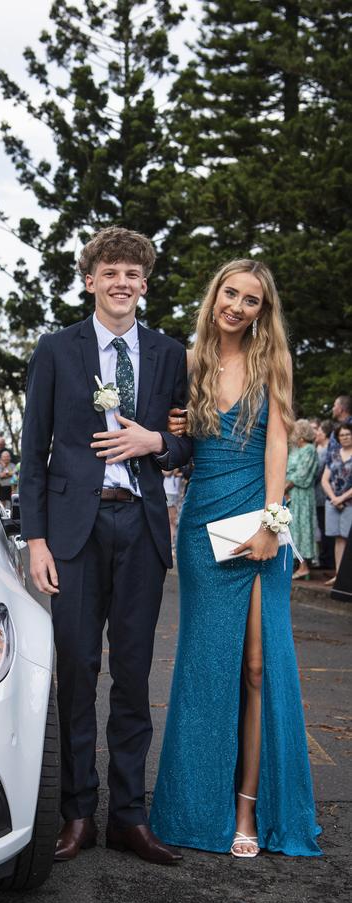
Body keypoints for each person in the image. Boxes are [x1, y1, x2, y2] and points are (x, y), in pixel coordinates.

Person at [20, 227, 192, 865]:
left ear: (145, 285)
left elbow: (185, 444)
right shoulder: (57, 351)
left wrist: (156, 445)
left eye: (133, 273)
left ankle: (129, 816)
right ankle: (77, 813)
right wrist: (36, 538)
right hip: (72, 534)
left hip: (142, 528)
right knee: (77, 672)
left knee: (133, 673)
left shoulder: (170, 353)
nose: (122, 282)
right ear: (89, 280)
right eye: (109, 271)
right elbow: (33, 452)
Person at [151, 259, 321, 858]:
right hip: (202, 526)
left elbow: (278, 442)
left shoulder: (269, 362)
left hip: (257, 519)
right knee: (205, 668)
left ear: (261, 311)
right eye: (231, 294)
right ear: (215, 295)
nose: (238, 307)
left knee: (256, 667)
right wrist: (174, 433)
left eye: (252, 301)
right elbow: (180, 451)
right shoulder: (188, 363)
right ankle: (197, 806)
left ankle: (249, 805)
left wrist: (274, 524)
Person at [285, 419, 319, 580]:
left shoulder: (309, 450)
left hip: (302, 495)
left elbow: (302, 474)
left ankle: (304, 566)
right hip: (292, 494)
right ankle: (295, 563)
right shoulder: (295, 449)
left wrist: (284, 487)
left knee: (303, 528)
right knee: (293, 528)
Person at [322, 423, 352, 585]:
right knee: (338, 539)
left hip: (349, 503)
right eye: (342, 435)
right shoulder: (333, 454)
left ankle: (348, 577)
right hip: (332, 502)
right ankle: (339, 575)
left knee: (348, 539)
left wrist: (342, 499)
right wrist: (334, 498)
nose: (345, 437)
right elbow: (324, 479)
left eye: (348, 434)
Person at [314, 420, 335, 570]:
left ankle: (327, 560)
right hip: (320, 494)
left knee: (325, 527)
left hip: (322, 494)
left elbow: (317, 471)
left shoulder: (325, 451)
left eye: (320, 431)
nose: (317, 434)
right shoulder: (321, 449)